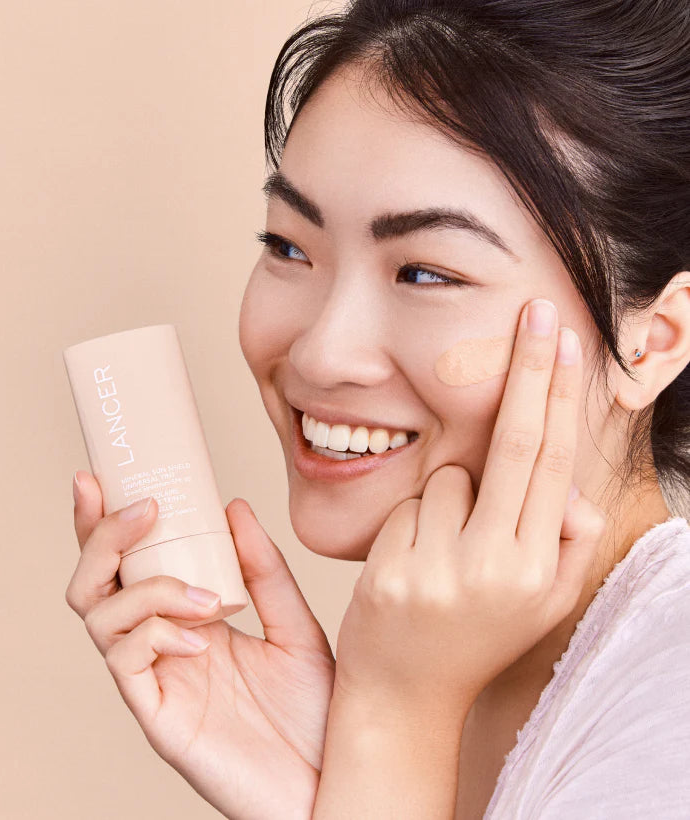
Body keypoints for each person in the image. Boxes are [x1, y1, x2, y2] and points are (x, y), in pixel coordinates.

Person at [65, 1, 690, 818]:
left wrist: (394, 716)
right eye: (289, 246)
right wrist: (332, 785)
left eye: (426, 273)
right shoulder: (439, 675)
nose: (321, 354)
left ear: (653, 341)